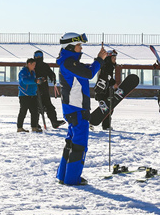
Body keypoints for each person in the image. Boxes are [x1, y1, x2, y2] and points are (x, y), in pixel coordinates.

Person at [56, 33, 106, 186]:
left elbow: (88, 69)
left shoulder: (70, 62)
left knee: (71, 143)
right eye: (79, 45)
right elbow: (90, 73)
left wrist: (100, 61)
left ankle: (63, 176)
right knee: (79, 144)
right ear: (70, 47)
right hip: (77, 109)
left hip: (74, 109)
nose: (81, 48)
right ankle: (72, 179)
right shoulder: (69, 63)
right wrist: (99, 59)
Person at [33, 50, 65, 128]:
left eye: (40, 55)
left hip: (44, 90)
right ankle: (35, 124)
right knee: (35, 108)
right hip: (34, 90)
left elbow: (50, 73)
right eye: (36, 55)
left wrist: (53, 78)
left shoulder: (45, 66)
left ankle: (54, 122)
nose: (38, 57)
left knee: (49, 106)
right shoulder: (32, 65)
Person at [92, 48, 118, 131]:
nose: (115, 59)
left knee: (109, 108)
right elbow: (106, 77)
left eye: (115, 58)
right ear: (108, 58)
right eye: (113, 58)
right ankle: (92, 122)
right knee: (106, 109)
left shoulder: (109, 66)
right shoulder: (106, 66)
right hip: (102, 91)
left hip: (105, 91)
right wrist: (114, 83)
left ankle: (106, 125)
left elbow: (108, 78)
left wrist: (113, 84)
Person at [17, 59, 41, 133]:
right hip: (24, 95)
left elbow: (34, 81)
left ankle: (34, 127)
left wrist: (39, 81)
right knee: (23, 111)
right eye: (33, 64)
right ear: (29, 64)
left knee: (35, 111)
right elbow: (25, 81)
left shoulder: (33, 72)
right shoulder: (23, 72)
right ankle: (20, 127)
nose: (34, 66)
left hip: (33, 94)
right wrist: (35, 81)